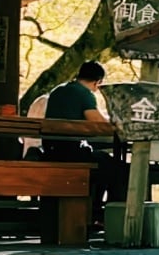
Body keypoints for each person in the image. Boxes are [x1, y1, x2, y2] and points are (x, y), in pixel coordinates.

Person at [43, 61, 128, 227]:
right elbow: (98, 124)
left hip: (52, 150)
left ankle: (94, 212)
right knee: (118, 169)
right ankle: (107, 217)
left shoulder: (58, 91)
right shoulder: (84, 94)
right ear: (98, 82)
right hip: (72, 152)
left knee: (104, 164)